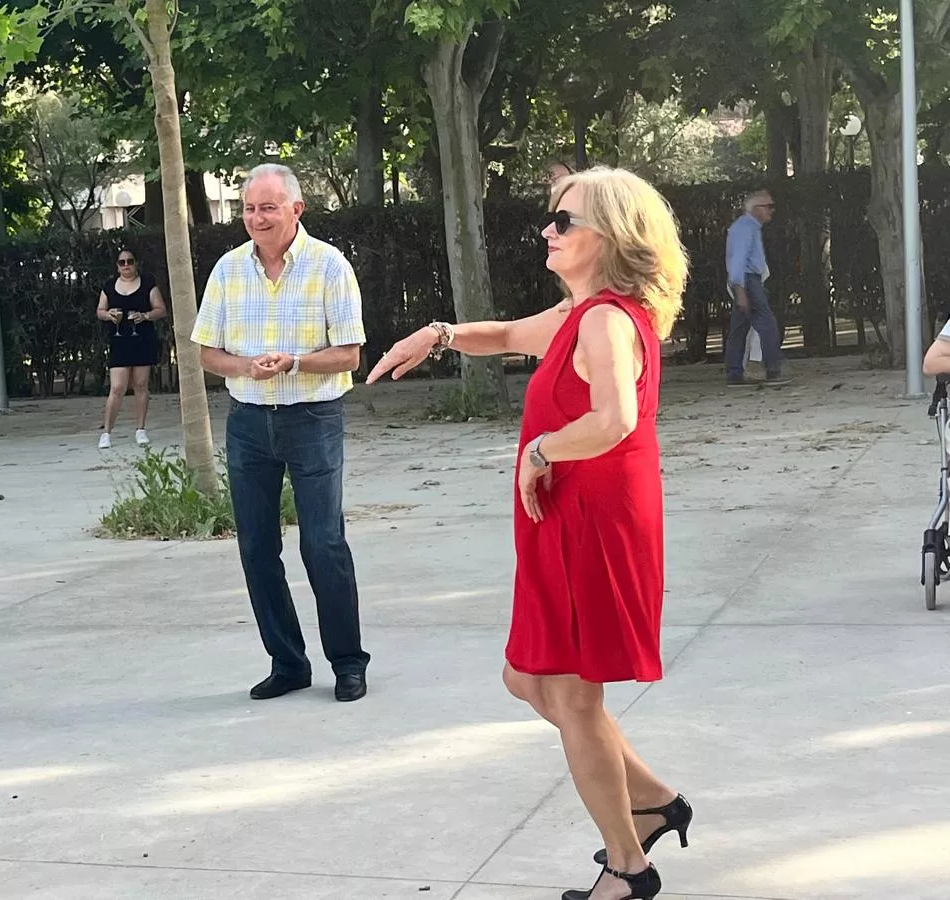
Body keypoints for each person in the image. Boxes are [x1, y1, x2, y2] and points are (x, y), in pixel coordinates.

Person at [369, 167, 690, 900]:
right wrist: (441, 334)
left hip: (594, 525)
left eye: (564, 222)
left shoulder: (609, 320)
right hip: (564, 520)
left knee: (575, 700)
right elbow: (511, 334)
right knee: (527, 677)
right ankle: (654, 802)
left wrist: (541, 452)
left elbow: (614, 421)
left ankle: (629, 865)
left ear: (607, 237)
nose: (548, 230)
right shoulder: (582, 312)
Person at [191, 163, 370, 704]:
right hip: (248, 421)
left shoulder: (329, 266)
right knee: (256, 548)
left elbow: (350, 353)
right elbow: (205, 351)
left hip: (312, 418)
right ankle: (288, 663)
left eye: (268, 207)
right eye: (248, 207)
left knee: (323, 543)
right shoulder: (227, 269)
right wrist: (245, 369)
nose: (255, 217)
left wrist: (292, 364)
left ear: (297, 210)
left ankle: (347, 662)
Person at [96, 249, 166, 449]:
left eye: (130, 261)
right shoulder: (109, 286)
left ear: (136, 263)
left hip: (142, 339)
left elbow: (161, 309)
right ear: (117, 266)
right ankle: (106, 433)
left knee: (141, 385)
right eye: (122, 262)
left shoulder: (147, 284)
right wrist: (109, 315)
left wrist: (145, 316)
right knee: (117, 388)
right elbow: (100, 310)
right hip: (119, 340)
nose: (126, 265)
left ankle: (141, 429)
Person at [725, 189, 787, 387]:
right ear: (755, 209)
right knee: (766, 323)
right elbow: (738, 261)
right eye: (768, 206)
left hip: (746, 280)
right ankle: (773, 369)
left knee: (739, 327)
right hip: (748, 280)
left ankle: (734, 372)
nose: (771, 210)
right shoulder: (745, 228)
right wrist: (740, 290)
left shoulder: (747, 227)